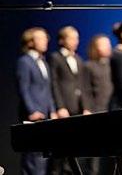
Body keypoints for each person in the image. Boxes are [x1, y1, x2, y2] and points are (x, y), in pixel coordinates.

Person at [48, 26, 91, 174]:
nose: (75, 41)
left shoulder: (78, 59)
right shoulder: (56, 58)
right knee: (60, 148)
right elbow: (53, 83)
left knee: (75, 148)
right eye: (71, 38)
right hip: (64, 107)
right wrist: (60, 106)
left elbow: (83, 86)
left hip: (77, 108)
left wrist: (86, 107)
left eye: (77, 38)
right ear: (62, 40)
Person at [16, 27, 57, 175]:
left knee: (43, 157)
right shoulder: (24, 62)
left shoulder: (44, 62)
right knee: (32, 158)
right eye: (41, 38)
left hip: (45, 115)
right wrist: (31, 111)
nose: (46, 40)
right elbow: (23, 88)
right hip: (33, 116)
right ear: (31, 42)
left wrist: (52, 110)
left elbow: (47, 90)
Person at [83, 34, 114, 175]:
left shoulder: (112, 65)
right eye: (103, 45)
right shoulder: (89, 66)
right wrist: (87, 108)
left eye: (108, 44)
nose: (107, 48)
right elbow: (85, 90)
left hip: (111, 111)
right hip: (96, 111)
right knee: (95, 153)